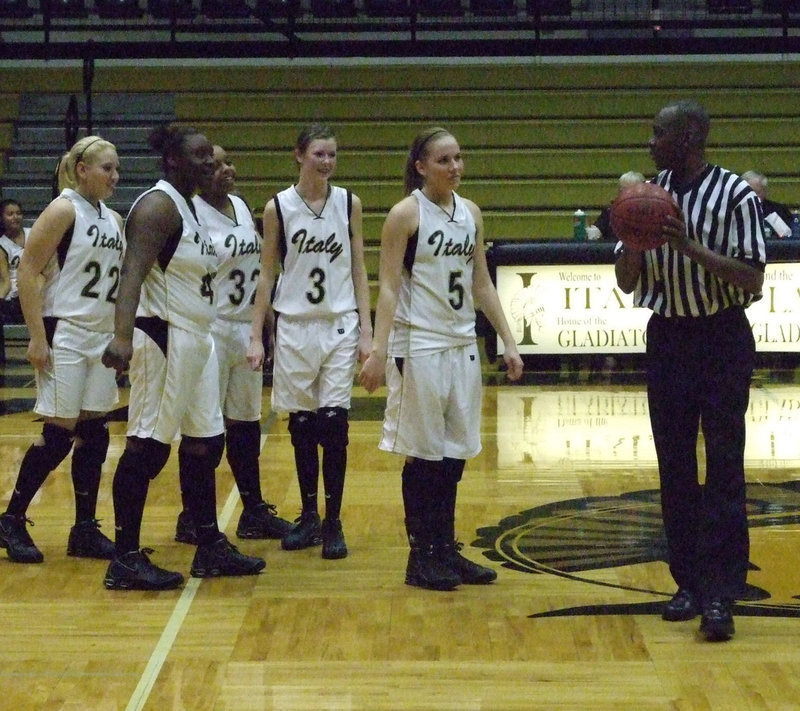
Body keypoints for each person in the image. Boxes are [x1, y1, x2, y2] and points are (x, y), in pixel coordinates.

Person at [615, 100, 766, 641]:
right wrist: (632, 241)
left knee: (725, 465)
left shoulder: (736, 195)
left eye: (659, 134)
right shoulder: (645, 195)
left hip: (722, 337)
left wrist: (689, 247)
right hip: (669, 337)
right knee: (674, 466)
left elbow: (752, 280)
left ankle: (722, 592)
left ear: (690, 138)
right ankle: (687, 582)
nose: (650, 142)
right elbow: (627, 282)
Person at [359, 126, 524, 591]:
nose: (455, 167)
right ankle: (422, 556)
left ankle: (445, 548)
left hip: (461, 344)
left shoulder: (470, 212)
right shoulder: (404, 215)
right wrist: (379, 351)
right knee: (424, 455)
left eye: (458, 158)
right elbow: (389, 287)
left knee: (454, 455)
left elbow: (482, 284)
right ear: (421, 167)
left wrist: (509, 342)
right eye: (444, 160)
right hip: (419, 345)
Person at [101, 124, 265, 590]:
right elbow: (131, 273)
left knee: (206, 442)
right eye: (200, 157)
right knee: (147, 448)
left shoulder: (189, 206)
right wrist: (121, 338)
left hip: (198, 337)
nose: (210, 164)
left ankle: (209, 544)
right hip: (164, 337)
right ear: (173, 160)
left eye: (210, 157)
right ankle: (126, 558)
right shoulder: (157, 205)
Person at [246, 123, 373, 560]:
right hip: (295, 325)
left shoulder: (348, 203)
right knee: (301, 426)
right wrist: (256, 333)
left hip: (338, 322)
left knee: (334, 425)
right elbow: (267, 273)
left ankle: (335, 520)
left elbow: (358, 267)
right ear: (299, 155)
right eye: (319, 154)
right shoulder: (278, 207)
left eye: (332, 155)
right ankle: (309, 516)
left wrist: (368, 331)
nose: (327, 162)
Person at [0, 137, 124, 564]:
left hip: (100, 333)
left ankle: (85, 529)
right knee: (58, 433)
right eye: (106, 168)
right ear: (82, 169)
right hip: (65, 330)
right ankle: (12, 518)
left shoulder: (113, 218)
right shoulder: (63, 208)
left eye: (117, 169)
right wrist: (36, 336)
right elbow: (28, 272)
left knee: (95, 429)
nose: (115, 176)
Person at [174, 144, 292, 544]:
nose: (227, 169)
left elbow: (257, 268)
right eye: (217, 164)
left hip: (244, 327)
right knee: (204, 430)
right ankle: (192, 516)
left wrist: (266, 316)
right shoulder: (188, 212)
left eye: (228, 162)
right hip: (210, 327)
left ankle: (253, 509)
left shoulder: (242, 207)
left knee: (245, 426)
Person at [587, 171, 646, 242]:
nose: (625, 195)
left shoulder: (648, 214)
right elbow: (595, 232)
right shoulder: (610, 211)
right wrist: (591, 232)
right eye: (621, 190)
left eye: (630, 191)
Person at [0, 198, 29, 324]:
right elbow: (6, 281)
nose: (15, 217)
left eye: (18, 213)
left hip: (33, 287)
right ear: (2, 218)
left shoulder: (34, 234)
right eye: (10, 214)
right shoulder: (2, 244)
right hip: (14, 294)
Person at [741, 170, 793, 239]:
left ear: (765, 192)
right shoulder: (731, 212)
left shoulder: (779, 211)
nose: (752, 196)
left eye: (757, 192)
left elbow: (788, 241)